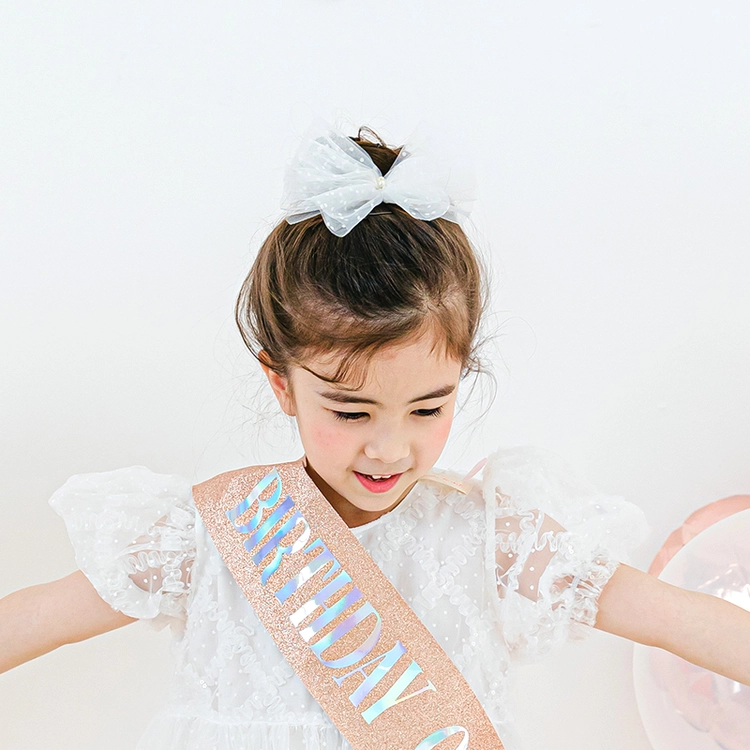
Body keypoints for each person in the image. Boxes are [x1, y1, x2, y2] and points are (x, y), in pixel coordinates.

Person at [1, 119, 748, 750]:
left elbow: (679, 619)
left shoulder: (496, 539)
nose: (390, 449)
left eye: (427, 409)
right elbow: (38, 617)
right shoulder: (208, 536)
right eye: (352, 412)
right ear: (280, 382)